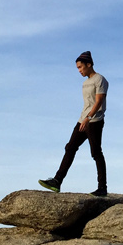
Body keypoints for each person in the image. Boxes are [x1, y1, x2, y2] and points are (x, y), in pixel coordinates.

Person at [39, 51, 108, 197]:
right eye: (77, 68)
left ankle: (102, 188)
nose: (79, 70)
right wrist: (84, 118)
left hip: (94, 121)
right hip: (82, 120)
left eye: (80, 67)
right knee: (70, 147)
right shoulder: (85, 83)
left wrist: (88, 118)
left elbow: (99, 101)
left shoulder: (100, 79)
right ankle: (57, 181)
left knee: (96, 153)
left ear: (89, 64)